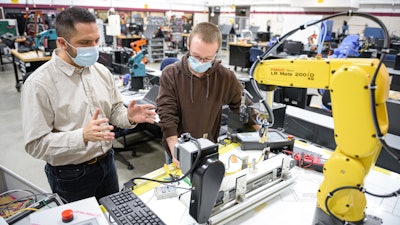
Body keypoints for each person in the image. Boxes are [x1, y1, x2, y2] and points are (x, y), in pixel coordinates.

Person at [21, 7, 156, 203]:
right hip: (70, 175)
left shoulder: (101, 71)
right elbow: (35, 144)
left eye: (95, 41)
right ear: (62, 43)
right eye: (84, 42)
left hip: (107, 163)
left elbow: (116, 110)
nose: (93, 48)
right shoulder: (39, 84)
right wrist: (81, 136)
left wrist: (128, 117)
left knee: (113, 214)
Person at [156, 22, 255, 166]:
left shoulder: (224, 76)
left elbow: (243, 106)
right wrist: (176, 152)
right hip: (177, 145)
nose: (201, 63)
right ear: (188, 44)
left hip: (208, 146)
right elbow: (167, 115)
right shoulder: (171, 74)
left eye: (207, 59)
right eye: (196, 56)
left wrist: (265, 133)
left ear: (216, 53)